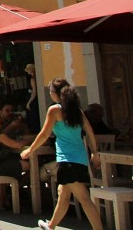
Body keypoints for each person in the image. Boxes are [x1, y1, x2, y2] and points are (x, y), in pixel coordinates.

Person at [21, 78, 103, 230]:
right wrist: (95, 153)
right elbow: (90, 132)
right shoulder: (77, 111)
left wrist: (30, 149)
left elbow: (44, 134)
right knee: (63, 194)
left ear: (54, 93)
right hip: (80, 159)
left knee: (84, 198)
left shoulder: (54, 110)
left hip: (67, 160)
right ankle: (51, 226)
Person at [24, 63, 41, 134]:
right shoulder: (36, 78)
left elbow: (34, 92)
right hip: (33, 99)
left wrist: (29, 103)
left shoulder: (33, 79)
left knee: (32, 118)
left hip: (32, 99)